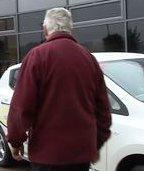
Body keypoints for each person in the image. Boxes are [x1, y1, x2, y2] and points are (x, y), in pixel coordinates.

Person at [7, 7, 112, 171]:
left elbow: (22, 107)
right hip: (81, 155)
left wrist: (15, 141)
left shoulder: (37, 57)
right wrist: (96, 143)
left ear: (45, 29)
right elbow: (103, 110)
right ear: (71, 29)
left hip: (47, 157)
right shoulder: (88, 58)